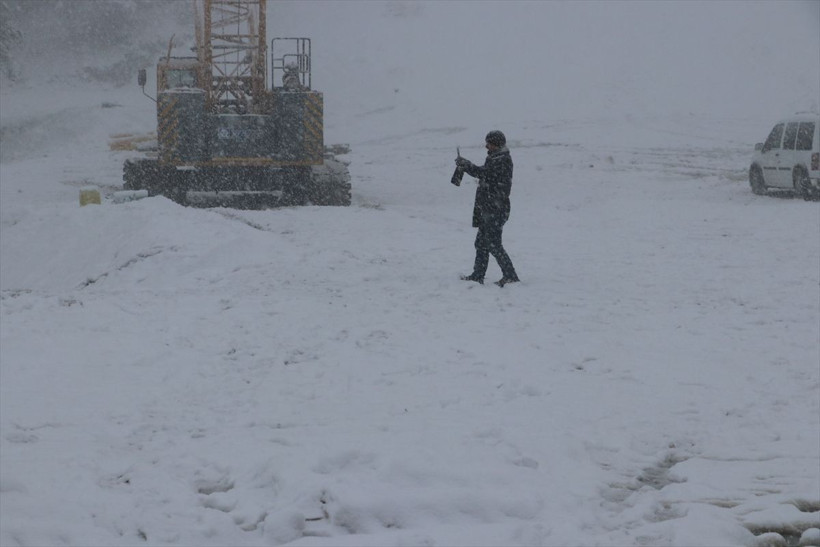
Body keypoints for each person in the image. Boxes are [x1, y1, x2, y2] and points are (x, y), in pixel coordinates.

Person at [455, 130, 520, 287]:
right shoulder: (495, 157)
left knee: (493, 244)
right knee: (481, 243)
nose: (486, 146)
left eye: (489, 143)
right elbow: (484, 173)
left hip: (496, 209)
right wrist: (467, 165)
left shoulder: (502, 160)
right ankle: (478, 275)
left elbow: (484, 174)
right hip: (489, 208)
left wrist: (467, 165)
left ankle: (510, 276)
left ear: (497, 144)